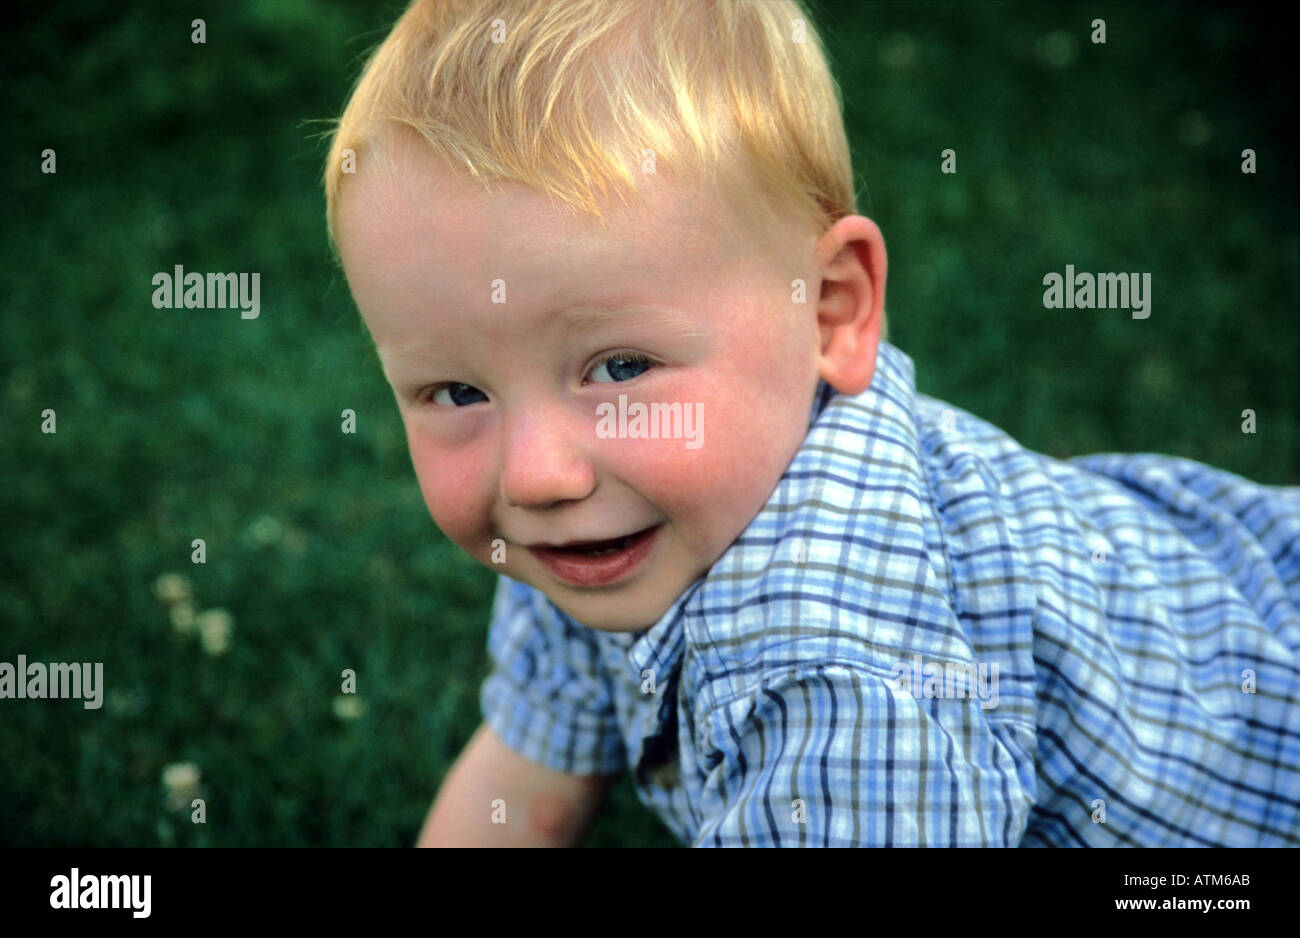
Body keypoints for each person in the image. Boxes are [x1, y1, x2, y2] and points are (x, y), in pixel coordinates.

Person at [322, 0, 1300, 846]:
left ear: (831, 310)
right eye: (456, 392)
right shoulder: (595, 516)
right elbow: (524, 778)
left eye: (621, 367)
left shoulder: (836, 671)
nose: (534, 472)